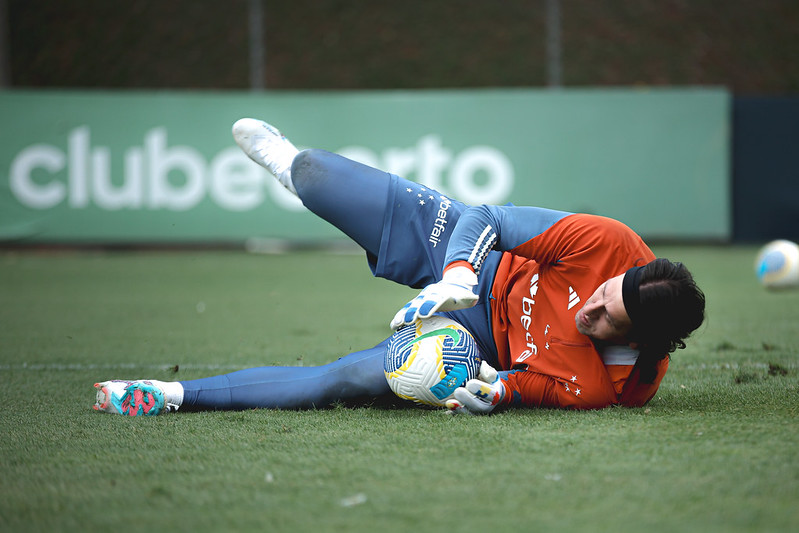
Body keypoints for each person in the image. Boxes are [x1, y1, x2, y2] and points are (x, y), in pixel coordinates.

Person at [92, 118, 705, 417]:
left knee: (340, 384)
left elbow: (514, 387)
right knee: (315, 176)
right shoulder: (610, 244)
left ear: (638, 341)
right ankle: (286, 164)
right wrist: (461, 275)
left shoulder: (604, 390)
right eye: (603, 294)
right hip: (479, 263)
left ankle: (168, 396)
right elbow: (490, 215)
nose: (590, 306)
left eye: (604, 319)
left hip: (478, 342)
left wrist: (485, 391)